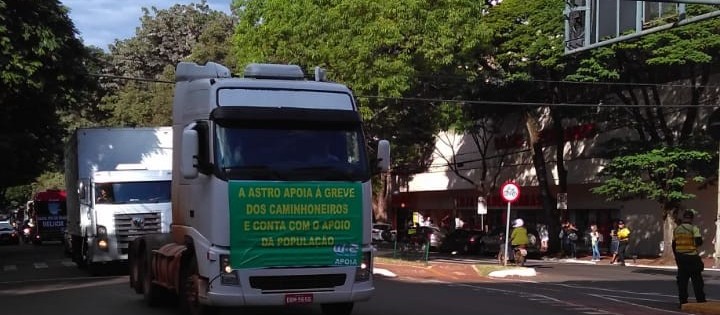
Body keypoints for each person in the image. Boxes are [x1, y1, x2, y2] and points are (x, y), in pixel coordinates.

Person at [672, 210, 706, 306]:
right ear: (691, 218)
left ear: (684, 218)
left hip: (681, 257)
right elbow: (698, 241)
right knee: (697, 280)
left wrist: (677, 256)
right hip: (692, 257)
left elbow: (673, 244)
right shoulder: (694, 228)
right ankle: (700, 300)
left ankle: (683, 301)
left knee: (682, 281)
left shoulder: (677, 229)